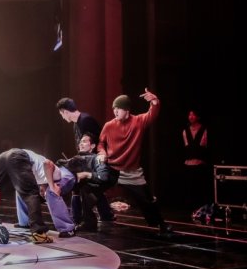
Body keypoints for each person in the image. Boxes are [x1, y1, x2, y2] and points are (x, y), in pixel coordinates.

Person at [97, 88, 173, 237]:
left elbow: (152, 114)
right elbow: (100, 143)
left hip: (131, 171)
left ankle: (161, 224)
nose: (115, 111)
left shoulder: (138, 121)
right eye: (114, 109)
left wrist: (154, 101)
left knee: (147, 199)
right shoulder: (109, 125)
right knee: (91, 189)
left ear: (127, 110)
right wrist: (102, 153)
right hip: (112, 168)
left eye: (119, 108)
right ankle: (89, 220)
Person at [0, 148, 75, 243]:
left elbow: (40, 182)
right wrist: (52, 186)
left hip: (3, 157)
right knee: (32, 193)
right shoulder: (58, 173)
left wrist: (44, 188)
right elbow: (48, 163)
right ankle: (40, 232)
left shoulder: (39, 173)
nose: (43, 193)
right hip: (19, 157)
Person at [56, 97, 116, 224]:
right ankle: (105, 214)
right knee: (81, 185)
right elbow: (81, 147)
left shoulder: (85, 120)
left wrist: (94, 160)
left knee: (85, 185)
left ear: (65, 111)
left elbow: (97, 141)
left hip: (96, 160)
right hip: (86, 160)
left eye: (61, 114)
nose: (62, 117)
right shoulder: (76, 124)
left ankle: (85, 218)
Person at [58, 132, 119, 232]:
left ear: (92, 146)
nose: (80, 144)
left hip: (97, 185)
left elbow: (103, 177)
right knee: (75, 187)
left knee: (85, 188)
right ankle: (76, 219)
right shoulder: (75, 159)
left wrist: (86, 174)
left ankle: (89, 221)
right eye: (80, 142)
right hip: (83, 188)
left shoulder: (96, 158)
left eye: (84, 141)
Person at [181, 109, 212, 212]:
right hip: (188, 163)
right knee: (189, 188)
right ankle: (190, 207)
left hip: (200, 164)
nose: (191, 117)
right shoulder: (185, 130)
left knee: (200, 188)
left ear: (198, 116)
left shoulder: (204, 129)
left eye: (193, 115)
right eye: (189, 115)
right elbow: (187, 147)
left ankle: (201, 207)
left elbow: (203, 146)